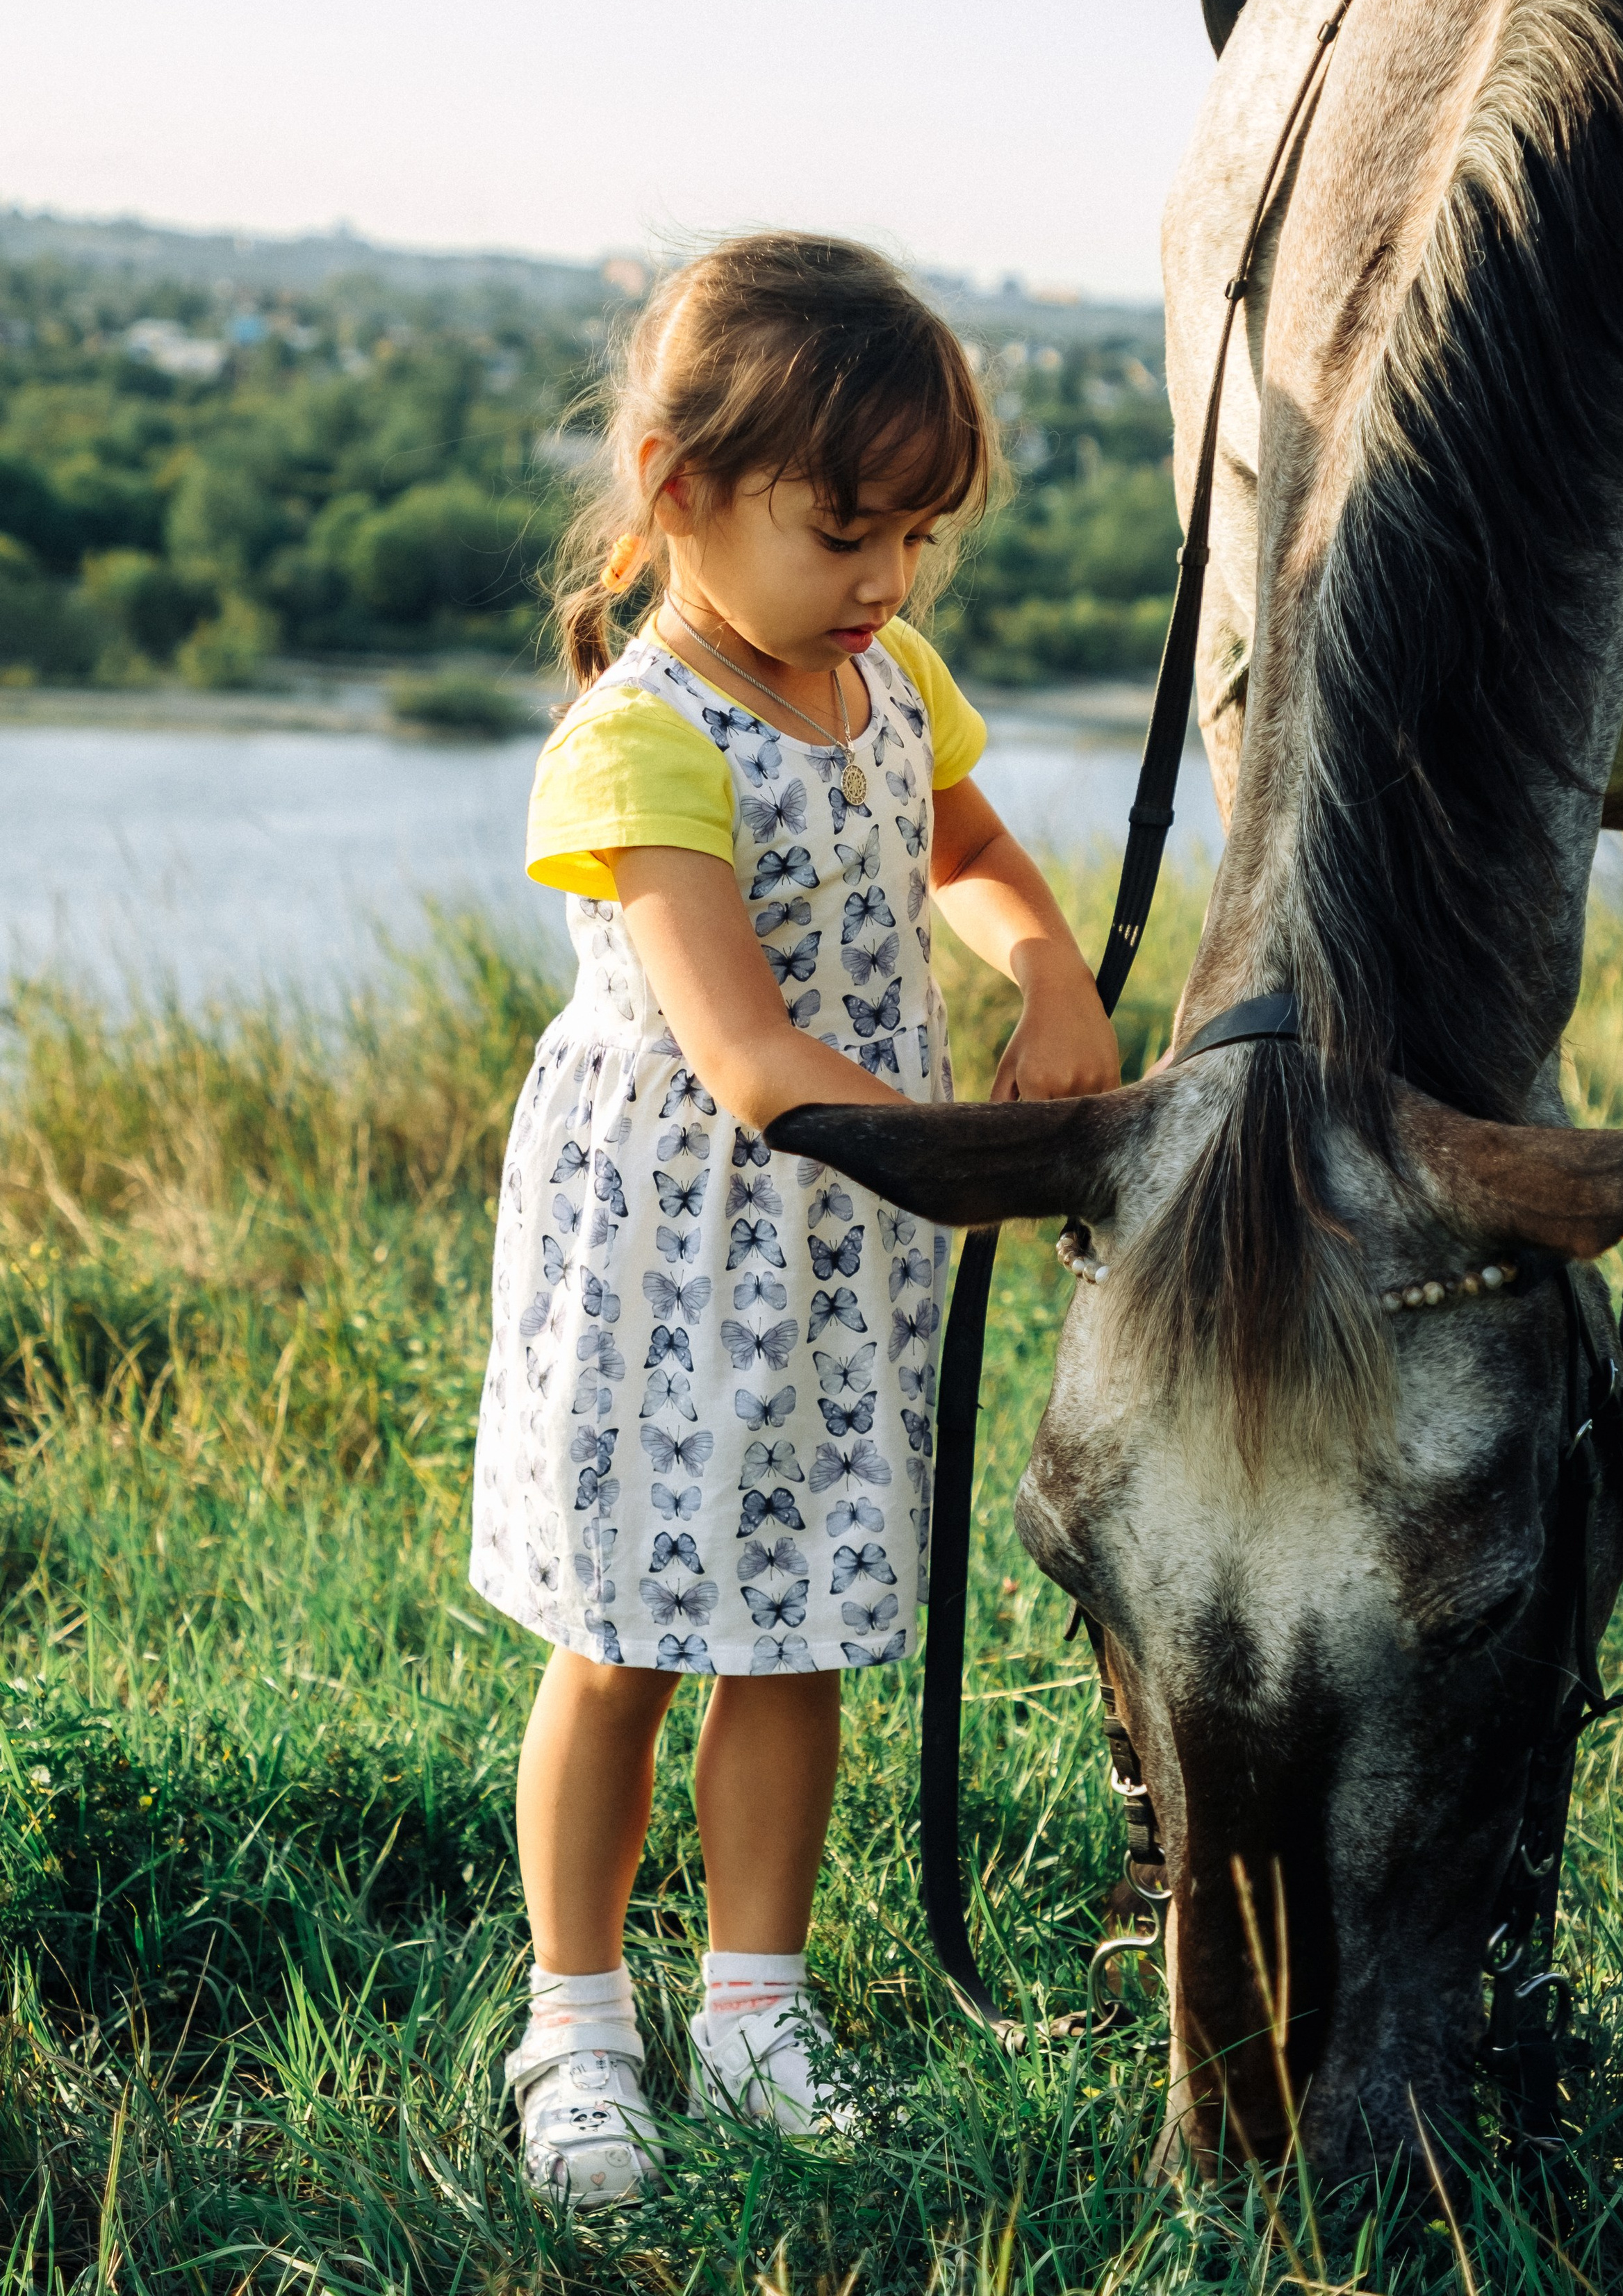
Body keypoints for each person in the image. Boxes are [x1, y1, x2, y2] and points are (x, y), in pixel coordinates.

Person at [470, 231, 1121, 2205]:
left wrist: (1057, 976)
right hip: (674, 1245)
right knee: (625, 1639)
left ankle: (755, 2010)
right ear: (678, 490)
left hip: (847, 1247)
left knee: (801, 1625)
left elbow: (974, 850)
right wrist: (997, 1160)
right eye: (850, 531)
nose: (891, 581)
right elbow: (750, 1061)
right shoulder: (641, 738)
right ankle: (576, 2026)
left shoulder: (882, 677)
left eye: (918, 538)